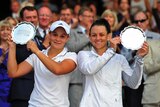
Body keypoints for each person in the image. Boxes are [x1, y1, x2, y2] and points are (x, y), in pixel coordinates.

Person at [77, 18, 149, 107]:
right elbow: (89, 70)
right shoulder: (83, 55)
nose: (98, 38)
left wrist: (139, 59)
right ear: (89, 37)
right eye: (94, 35)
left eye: (101, 35)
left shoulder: (119, 59)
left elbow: (133, 84)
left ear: (109, 36)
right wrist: (111, 51)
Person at [7, 20, 77, 107]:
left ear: (67, 38)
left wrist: (37, 51)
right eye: (55, 35)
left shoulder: (71, 56)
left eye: (62, 36)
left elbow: (57, 70)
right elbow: (13, 72)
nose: (58, 39)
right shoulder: (36, 56)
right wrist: (12, 47)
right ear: (49, 35)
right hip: (35, 104)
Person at [8, 6, 39, 107]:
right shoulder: (15, 39)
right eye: (28, 17)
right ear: (21, 20)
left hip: (41, 93)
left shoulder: (44, 37)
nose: (32, 20)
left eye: (34, 17)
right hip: (22, 93)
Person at [66, 6, 94, 107]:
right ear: (80, 17)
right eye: (88, 16)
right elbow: (71, 47)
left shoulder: (96, 34)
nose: (91, 19)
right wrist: (88, 36)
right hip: (77, 79)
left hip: (93, 79)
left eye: (92, 16)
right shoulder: (72, 32)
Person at [0, 20, 13, 107]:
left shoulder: (16, 47)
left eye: (8, 29)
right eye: (2, 29)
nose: (5, 32)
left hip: (13, 82)